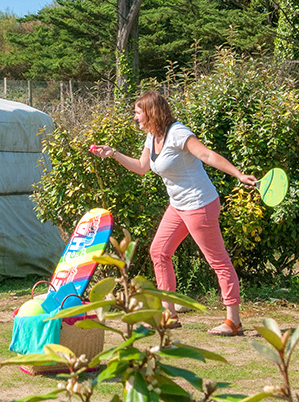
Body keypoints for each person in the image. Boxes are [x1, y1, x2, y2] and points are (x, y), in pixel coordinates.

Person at [90, 90, 256, 336]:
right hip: (178, 206)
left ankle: (234, 322)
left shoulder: (178, 133)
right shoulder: (152, 136)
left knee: (217, 260)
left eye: (138, 113)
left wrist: (238, 174)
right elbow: (142, 167)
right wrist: (113, 153)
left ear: (151, 112)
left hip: (200, 204)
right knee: (159, 251)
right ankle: (169, 314)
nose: (135, 117)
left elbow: (207, 155)